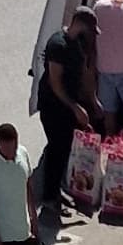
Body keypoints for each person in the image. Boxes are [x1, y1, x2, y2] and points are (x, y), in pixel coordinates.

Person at [35, 31, 97, 222]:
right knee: (56, 149)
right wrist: (75, 107)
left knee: (65, 149)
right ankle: (49, 198)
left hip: (67, 108)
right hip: (52, 106)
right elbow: (55, 83)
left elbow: (85, 73)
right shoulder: (57, 45)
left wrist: (93, 102)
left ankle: (57, 191)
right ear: (81, 25)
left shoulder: (78, 43)